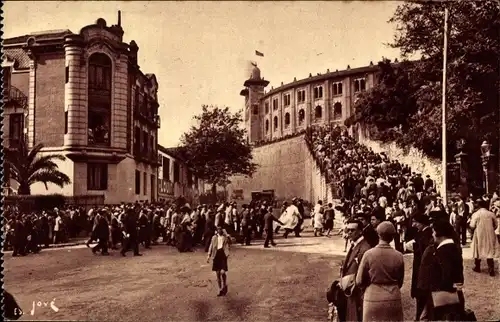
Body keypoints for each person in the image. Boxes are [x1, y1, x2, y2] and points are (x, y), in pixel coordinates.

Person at [356, 221, 404, 322]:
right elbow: (400, 281)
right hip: (393, 296)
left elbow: (359, 280)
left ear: (378, 235)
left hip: (373, 295)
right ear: (392, 237)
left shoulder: (369, 254)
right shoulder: (399, 255)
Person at [417, 220, 465, 321]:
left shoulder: (442, 251)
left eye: (434, 232)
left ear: (440, 234)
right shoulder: (454, 248)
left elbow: (445, 275)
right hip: (453, 295)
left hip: (441, 298)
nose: (433, 235)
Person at [337, 219, 371, 322]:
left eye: (353, 230)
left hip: (356, 289)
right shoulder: (354, 244)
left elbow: (365, 272)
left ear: (360, 231)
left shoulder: (364, 248)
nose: (349, 232)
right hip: (350, 288)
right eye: (348, 230)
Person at [407, 213, 433, 321]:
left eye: (415, 222)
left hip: (422, 269)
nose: (413, 225)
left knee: (422, 295)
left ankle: (419, 318)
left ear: (421, 223)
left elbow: (423, 251)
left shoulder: (426, 234)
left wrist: (412, 246)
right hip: (420, 268)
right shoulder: (422, 233)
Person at [470, 199, 499, 276]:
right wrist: (491, 229)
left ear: (479, 205)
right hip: (490, 233)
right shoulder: (491, 214)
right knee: (489, 250)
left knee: (477, 249)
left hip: (479, 233)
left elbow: (472, 226)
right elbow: (496, 224)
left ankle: (477, 267)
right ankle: (491, 269)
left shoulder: (476, 214)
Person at [207, 226, 231, 296]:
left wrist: (227, 235)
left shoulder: (225, 237)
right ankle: (220, 289)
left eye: (220, 229)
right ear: (216, 230)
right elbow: (211, 246)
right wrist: (208, 255)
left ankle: (224, 285)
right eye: (218, 229)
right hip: (216, 255)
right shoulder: (214, 237)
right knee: (217, 273)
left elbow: (231, 242)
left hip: (223, 255)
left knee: (223, 272)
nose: (219, 231)